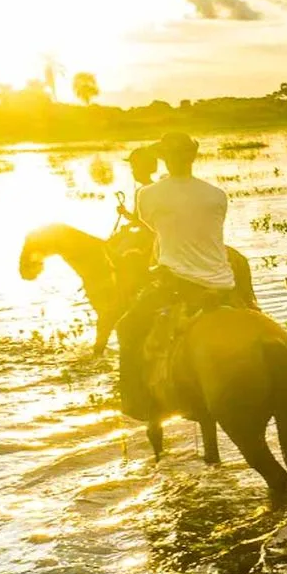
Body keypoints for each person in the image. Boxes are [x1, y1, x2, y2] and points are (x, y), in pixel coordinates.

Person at [113, 132, 236, 419]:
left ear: (164, 158)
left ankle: (136, 402)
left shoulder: (148, 194)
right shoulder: (218, 195)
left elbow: (153, 226)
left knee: (127, 326)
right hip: (224, 284)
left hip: (179, 284)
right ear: (193, 158)